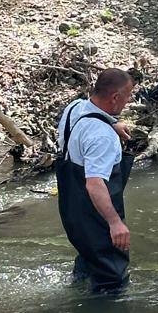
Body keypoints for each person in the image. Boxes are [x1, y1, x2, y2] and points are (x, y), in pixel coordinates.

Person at [56, 68, 135, 293]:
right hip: (96, 215)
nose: (128, 101)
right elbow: (94, 184)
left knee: (88, 256)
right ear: (115, 98)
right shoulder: (102, 137)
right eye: (128, 96)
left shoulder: (75, 108)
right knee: (112, 282)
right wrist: (115, 223)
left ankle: (78, 289)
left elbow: (87, 122)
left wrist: (111, 123)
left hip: (72, 212)